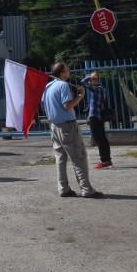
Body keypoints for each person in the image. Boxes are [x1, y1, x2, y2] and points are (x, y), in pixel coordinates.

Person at [41, 62, 104, 198]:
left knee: (60, 158)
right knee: (79, 157)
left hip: (54, 126)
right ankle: (86, 189)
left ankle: (63, 188)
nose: (69, 71)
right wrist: (80, 95)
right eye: (67, 69)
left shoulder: (48, 86)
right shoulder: (63, 86)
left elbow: (43, 106)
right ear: (62, 73)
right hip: (67, 126)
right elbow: (67, 106)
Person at [82, 71, 113, 169]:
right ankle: (107, 160)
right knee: (103, 138)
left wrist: (89, 77)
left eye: (92, 80)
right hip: (100, 116)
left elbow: (83, 82)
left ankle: (104, 161)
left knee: (98, 139)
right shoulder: (102, 88)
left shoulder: (96, 89)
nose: (90, 82)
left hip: (94, 116)